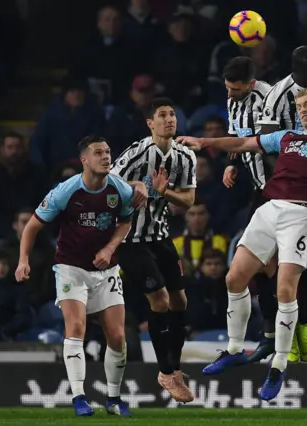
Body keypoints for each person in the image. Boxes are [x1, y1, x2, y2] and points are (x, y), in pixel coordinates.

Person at [178, 87, 307, 401]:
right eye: (299, 106)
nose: (302, 110)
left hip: (302, 215)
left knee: (285, 288)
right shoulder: (286, 137)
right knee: (234, 278)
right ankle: (235, 349)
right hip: (268, 208)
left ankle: (278, 364)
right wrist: (204, 142)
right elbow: (242, 143)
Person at [15, 136, 147, 417]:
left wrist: (110, 247)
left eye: (108, 152)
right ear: (84, 160)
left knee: (118, 335)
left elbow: (125, 221)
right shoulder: (66, 191)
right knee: (75, 327)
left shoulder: (118, 188)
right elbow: (31, 227)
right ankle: (79, 397)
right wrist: (23, 260)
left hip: (106, 269)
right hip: (71, 268)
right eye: (98, 153)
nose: (106, 157)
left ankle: (113, 398)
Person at [246, 45, 307, 364]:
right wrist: (284, 187)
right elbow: (269, 148)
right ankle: (271, 333)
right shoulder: (276, 97)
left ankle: (304, 324)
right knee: (263, 263)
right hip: (276, 184)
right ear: (296, 74)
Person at [110, 97, 197, 403]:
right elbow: (107, 184)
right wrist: (137, 185)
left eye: (172, 114)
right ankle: (166, 372)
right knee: (159, 300)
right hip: (130, 240)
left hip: (160, 236)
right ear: (150, 123)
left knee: (179, 301)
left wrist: (165, 192)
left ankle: (172, 369)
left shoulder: (185, 157)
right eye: (162, 115)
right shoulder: (136, 153)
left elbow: (188, 200)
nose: (169, 119)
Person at [220, 56, 277, 362]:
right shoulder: (234, 102)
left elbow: (274, 145)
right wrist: (233, 166)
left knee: (276, 265)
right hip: (259, 189)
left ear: (252, 84)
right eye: (228, 88)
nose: (230, 94)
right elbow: (236, 137)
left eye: (236, 89)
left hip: (281, 191)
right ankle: (271, 334)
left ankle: (284, 332)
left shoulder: (270, 100)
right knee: (263, 265)